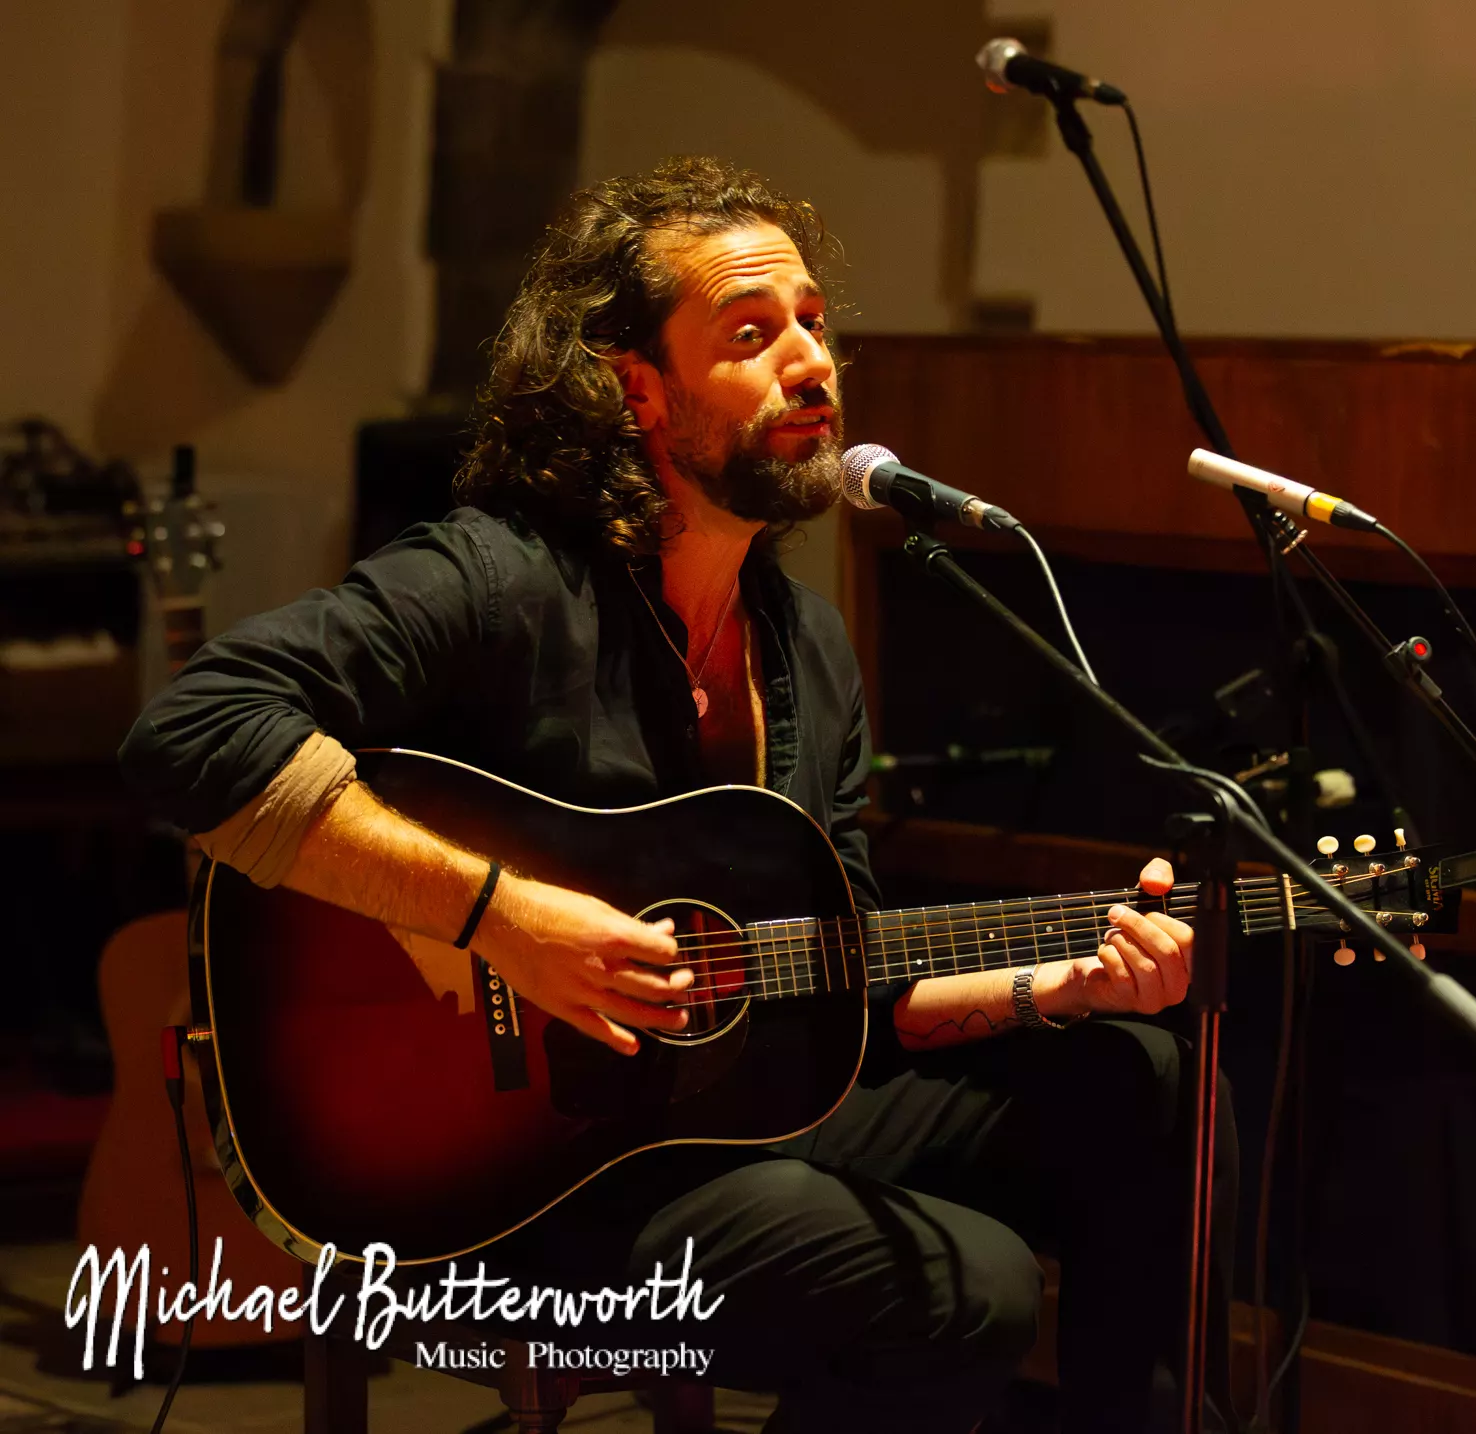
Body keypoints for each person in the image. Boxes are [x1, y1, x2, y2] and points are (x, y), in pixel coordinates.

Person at [120, 155, 1236, 1433]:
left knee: (1141, 1079)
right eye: (751, 336)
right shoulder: (496, 582)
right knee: (962, 1288)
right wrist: (500, 917)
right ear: (632, 386)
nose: (811, 363)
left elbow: (849, 976)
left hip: (713, 1126)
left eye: (813, 323)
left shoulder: (805, 647)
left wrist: (1058, 986)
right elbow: (192, 730)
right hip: (495, 1190)